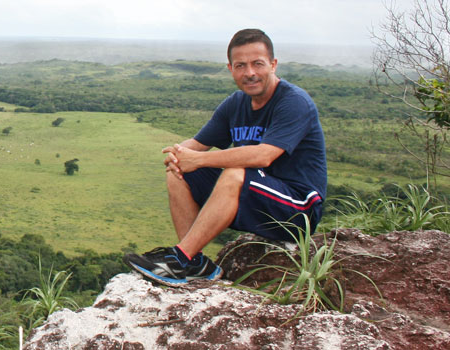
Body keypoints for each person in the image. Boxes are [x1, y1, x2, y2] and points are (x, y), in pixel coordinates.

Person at [124, 29, 327, 287]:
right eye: (241, 65)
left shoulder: (293, 102)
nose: (249, 73)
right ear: (231, 68)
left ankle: (180, 258)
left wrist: (197, 160)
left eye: (257, 64)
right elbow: (198, 144)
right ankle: (193, 261)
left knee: (235, 171)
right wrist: (178, 155)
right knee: (179, 172)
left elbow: (264, 156)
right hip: (258, 197)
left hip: (297, 210)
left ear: (273, 65)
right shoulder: (236, 103)